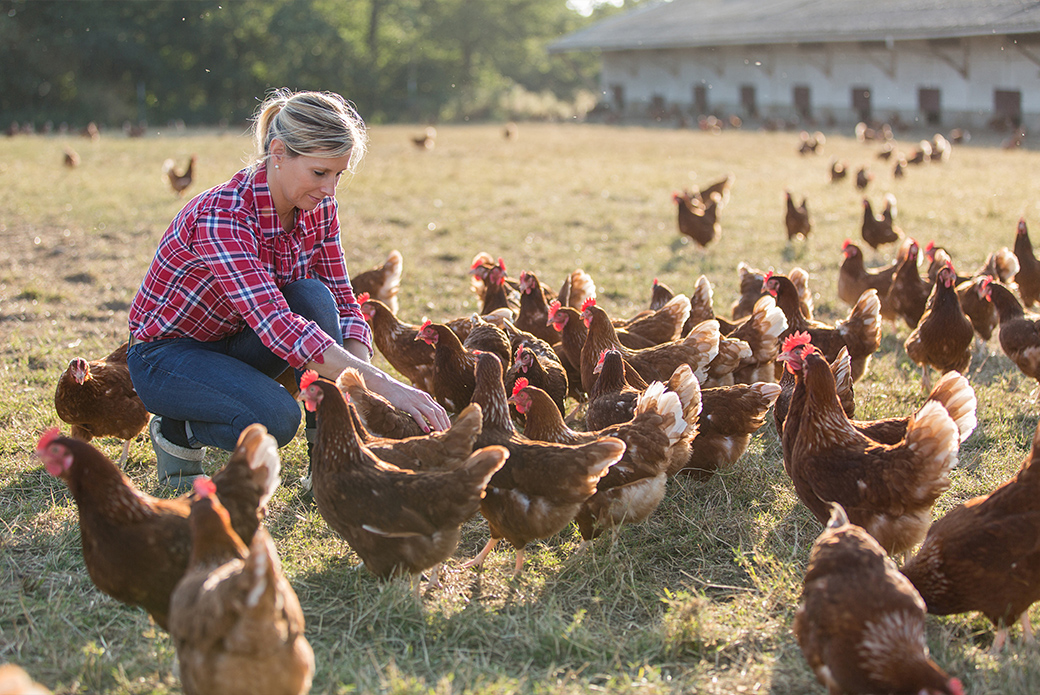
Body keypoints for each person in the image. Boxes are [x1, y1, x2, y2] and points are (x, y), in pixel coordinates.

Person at [127, 89, 449, 490]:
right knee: (276, 419)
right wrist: (387, 387)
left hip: (239, 339)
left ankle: (331, 464)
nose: (330, 190)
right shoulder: (223, 217)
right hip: (168, 357)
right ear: (278, 152)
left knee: (313, 295)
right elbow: (278, 326)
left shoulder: (318, 208)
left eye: (338, 175)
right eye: (319, 173)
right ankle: (178, 431)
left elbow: (343, 303)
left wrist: (358, 386)